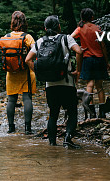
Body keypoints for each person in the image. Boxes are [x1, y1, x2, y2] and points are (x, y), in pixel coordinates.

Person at [26, 15, 83, 148]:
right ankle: (67, 139)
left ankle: (52, 144)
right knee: (72, 112)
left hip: (50, 85)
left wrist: (40, 72)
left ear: (45, 28)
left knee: (53, 114)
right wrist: (78, 71)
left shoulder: (40, 41)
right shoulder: (66, 38)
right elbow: (79, 51)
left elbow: (27, 60)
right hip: (67, 83)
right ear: (59, 26)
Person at [71, 8, 110, 118]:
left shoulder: (80, 28)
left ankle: (91, 111)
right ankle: (102, 112)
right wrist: (106, 61)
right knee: (100, 86)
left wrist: (78, 48)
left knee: (90, 84)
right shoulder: (98, 28)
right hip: (99, 59)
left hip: (87, 59)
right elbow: (102, 45)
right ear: (92, 17)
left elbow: (70, 38)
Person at [3, 11, 37, 134]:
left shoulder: (6, 37)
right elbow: (35, 50)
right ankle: (28, 129)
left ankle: (11, 127)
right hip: (26, 71)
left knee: (11, 100)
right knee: (27, 98)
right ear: (24, 22)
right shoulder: (27, 37)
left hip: (11, 73)